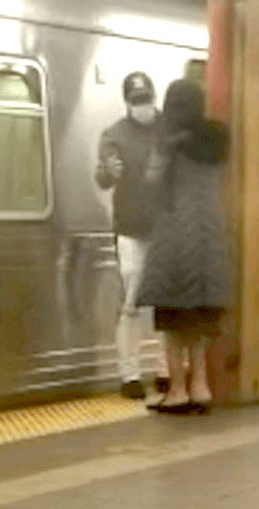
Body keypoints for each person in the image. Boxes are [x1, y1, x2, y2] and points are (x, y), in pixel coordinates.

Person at [137, 80, 230, 414]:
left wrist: (161, 151)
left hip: (176, 235)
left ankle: (178, 390)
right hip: (209, 235)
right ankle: (201, 387)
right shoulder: (217, 137)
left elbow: (152, 184)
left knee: (173, 319)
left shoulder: (169, 143)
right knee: (200, 318)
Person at [95, 71, 168, 400]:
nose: (144, 106)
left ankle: (167, 369)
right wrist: (108, 172)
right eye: (138, 101)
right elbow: (103, 178)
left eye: (147, 100)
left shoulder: (168, 129)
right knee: (132, 304)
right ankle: (130, 375)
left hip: (166, 229)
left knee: (168, 303)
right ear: (127, 103)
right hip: (131, 230)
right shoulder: (113, 135)